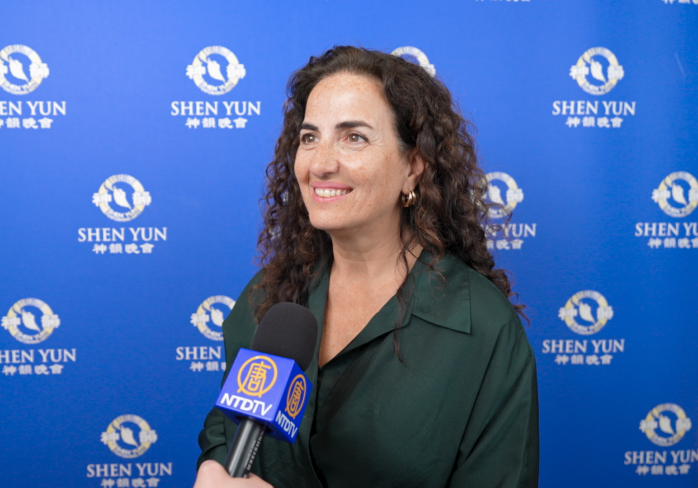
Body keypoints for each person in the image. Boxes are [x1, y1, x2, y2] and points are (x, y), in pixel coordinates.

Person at [194, 46, 539, 488]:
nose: (320, 164)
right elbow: (225, 436)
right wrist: (213, 470)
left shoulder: (483, 328)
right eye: (309, 138)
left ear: (413, 166)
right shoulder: (268, 297)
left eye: (353, 137)